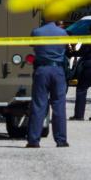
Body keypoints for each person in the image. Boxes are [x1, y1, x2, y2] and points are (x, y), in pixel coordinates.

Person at [26, 17, 69, 148]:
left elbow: (32, 46)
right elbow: (66, 48)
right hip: (58, 71)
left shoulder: (36, 32)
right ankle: (61, 140)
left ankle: (34, 140)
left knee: (39, 105)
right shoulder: (63, 33)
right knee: (59, 105)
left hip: (42, 70)